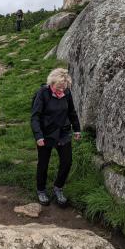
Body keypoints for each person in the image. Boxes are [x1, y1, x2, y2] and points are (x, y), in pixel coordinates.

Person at [31, 68, 81, 207]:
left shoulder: (66, 92)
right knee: (43, 163)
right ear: (51, 83)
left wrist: (77, 129)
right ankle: (41, 190)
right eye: (58, 88)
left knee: (67, 161)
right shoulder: (42, 93)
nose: (61, 91)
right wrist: (38, 136)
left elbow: (71, 112)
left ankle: (58, 187)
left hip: (63, 133)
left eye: (63, 88)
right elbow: (35, 117)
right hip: (46, 134)